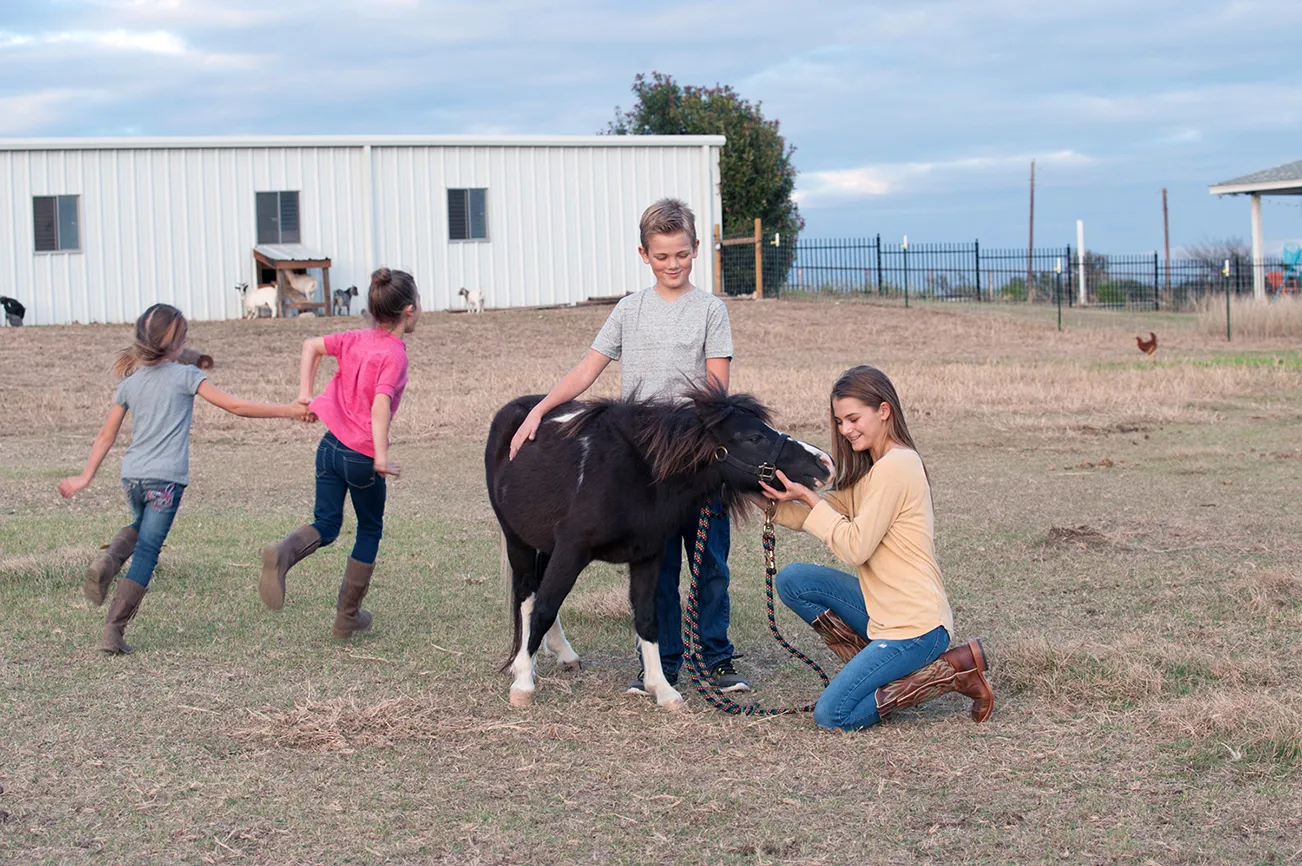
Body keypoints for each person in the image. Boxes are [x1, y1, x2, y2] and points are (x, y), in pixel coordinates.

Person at [508, 198, 748, 695]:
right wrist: (539, 409)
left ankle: (716, 658)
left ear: (696, 249)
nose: (673, 264)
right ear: (644, 255)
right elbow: (586, 370)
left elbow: (716, 391)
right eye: (662, 256)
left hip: (699, 464)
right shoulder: (628, 311)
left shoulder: (711, 311)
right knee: (656, 567)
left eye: (681, 254)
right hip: (643, 469)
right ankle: (662, 664)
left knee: (711, 565)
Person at [58, 303, 311, 654]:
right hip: (165, 481)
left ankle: (110, 560)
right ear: (177, 344)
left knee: (140, 524)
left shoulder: (131, 383)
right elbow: (235, 406)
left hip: (132, 477)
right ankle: (113, 631)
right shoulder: (187, 376)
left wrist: (84, 477)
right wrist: (290, 412)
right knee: (147, 550)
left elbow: (106, 435)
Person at [758, 365, 993, 730]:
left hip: (915, 627)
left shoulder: (897, 467)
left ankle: (954, 672)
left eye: (854, 418)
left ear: (884, 411)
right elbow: (819, 513)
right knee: (794, 580)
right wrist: (757, 496)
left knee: (832, 715)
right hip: (882, 611)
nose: (845, 429)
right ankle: (872, 668)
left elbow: (855, 548)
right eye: (839, 421)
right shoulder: (876, 468)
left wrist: (809, 497)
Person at [259, 267, 420, 639]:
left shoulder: (356, 339)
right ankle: (347, 616)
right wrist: (380, 456)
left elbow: (310, 346)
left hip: (329, 447)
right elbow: (380, 406)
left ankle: (284, 552)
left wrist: (305, 393)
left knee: (328, 524)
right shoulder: (394, 354)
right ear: (409, 310)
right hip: (361, 456)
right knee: (370, 528)